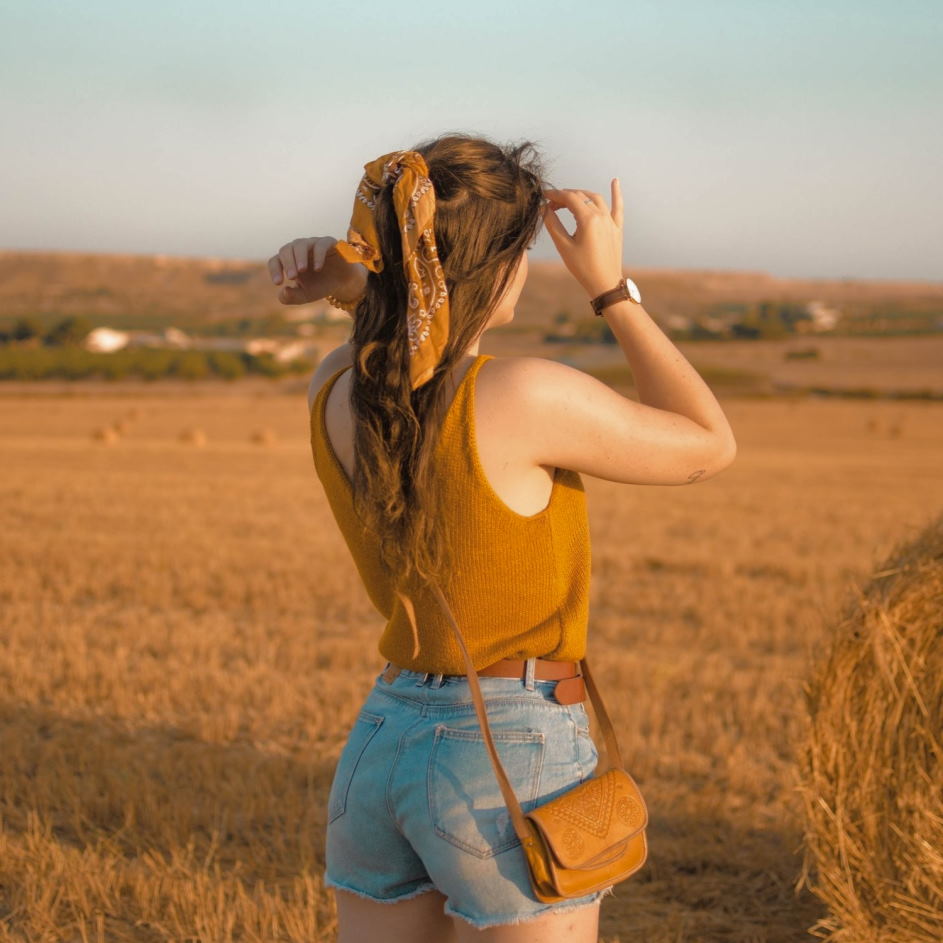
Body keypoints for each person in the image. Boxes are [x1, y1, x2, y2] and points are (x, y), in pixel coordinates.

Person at [267, 132, 737, 943]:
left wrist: (356, 282)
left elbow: (398, 341)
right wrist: (612, 289)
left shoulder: (334, 387)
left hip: (381, 739)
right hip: (506, 748)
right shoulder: (524, 395)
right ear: (501, 263)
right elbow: (706, 444)